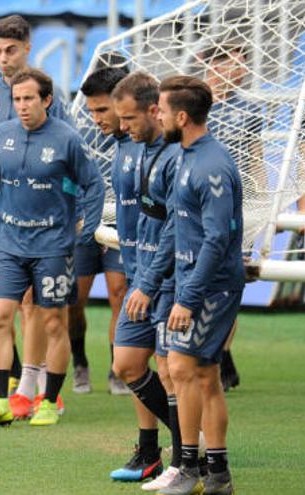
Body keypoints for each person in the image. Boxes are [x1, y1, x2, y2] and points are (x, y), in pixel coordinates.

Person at [0, 68, 104, 427]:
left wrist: (86, 232)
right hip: (7, 244)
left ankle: (48, 400)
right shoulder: (2, 136)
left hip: (52, 246)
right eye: (16, 99)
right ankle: (1, 400)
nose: (22, 106)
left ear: (47, 100)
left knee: (52, 321)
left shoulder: (66, 139)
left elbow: (93, 186)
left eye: (29, 98)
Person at [0, 15, 74, 409]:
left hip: (46, 223)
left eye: (10, 50)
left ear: (28, 48)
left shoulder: (51, 94)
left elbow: (66, 155)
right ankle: (20, 385)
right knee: (2, 307)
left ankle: (36, 384)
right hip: (4, 223)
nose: (3, 58)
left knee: (38, 306)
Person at [157, 75, 244, 495]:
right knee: (205, 375)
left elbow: (217, 238)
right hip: (194, 282)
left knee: (182, 367)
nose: (156, 114)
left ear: (182, 116)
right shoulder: (186, 155)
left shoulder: (211, 165)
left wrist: (188, 297)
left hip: (212, 287)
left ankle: (189, 466)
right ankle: (219, 475)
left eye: (160, 108)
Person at [109, 71, 185, 489]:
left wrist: (149, 281)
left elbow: (174, 228)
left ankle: (188, 456)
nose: (123, 127)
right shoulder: (133, 148)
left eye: (129, 119)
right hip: (139, 270)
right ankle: (180, 446)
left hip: (164, 279)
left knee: (174, 369)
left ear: (154, 111)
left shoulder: (175, 156)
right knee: (126, 364)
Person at [201, 44, 263, 392]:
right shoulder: (194, 103)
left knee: (230, 282)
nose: (240, 68)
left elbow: (255, 159)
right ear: (214, 64)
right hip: (200, 206)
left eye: (243, 61)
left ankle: (222, 354)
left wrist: (259, 208)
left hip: (237, 208)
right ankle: (214, 354)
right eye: (234, 60)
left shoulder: (250, 108)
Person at [73, 69, 131, 396]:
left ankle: (117, 368)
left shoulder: (140, 137)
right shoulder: (78, 130)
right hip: (84, 223)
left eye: (102, 110)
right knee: (74, 301)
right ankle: (79, 361)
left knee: (119, 293)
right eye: (91, 110)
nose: (95, 117)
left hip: (121, 226)